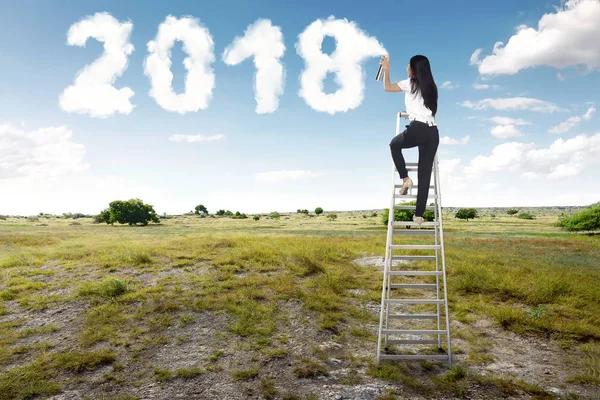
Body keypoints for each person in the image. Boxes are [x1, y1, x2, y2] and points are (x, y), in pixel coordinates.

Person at [379, 54, 439, 225]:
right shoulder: (431, 87)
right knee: (425, 173)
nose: (406, 67)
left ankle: (406, 179)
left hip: (417, 129)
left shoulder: (409, 83)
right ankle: (419, 215)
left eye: (408, 65)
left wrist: (386, 70)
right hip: (433, 132)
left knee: (394, 145)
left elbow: (387, 87)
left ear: (414, 69)